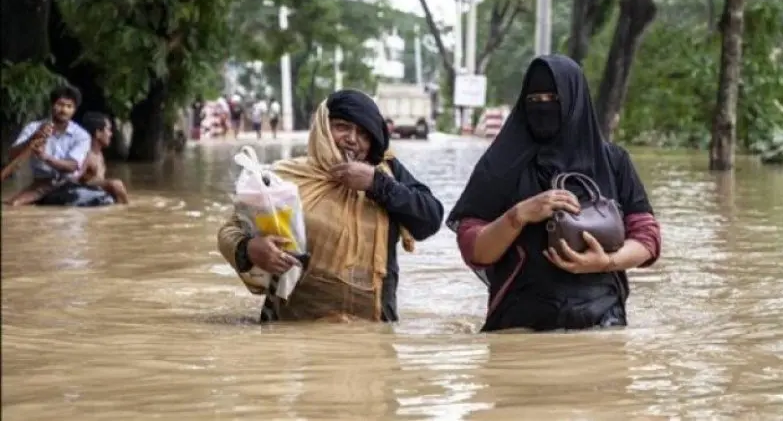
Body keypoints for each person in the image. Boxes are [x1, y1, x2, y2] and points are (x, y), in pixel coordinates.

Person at [447, 55, 662, 332]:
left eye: (553, 98)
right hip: (519, 325)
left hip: (603, 323)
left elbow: (648, 239)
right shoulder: (500, 166)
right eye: (534, 99)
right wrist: (518, 215)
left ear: (575, 101)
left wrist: (606, 262)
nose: (543, 107)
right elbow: (474, 250)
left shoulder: (613, 162)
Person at [217, 89, 444, 323]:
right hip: (292, 335)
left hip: (371, 336)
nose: (352, 139)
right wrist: (250, 248)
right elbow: (230, 231)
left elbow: (430, 218)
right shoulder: (284, 179)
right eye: (342, 126)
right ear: (323, 128)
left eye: (364, 134)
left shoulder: (385, 175)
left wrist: (376, 184)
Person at [4, 86, 91, 206]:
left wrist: (44, 157)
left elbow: (72, 166)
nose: (64, 110)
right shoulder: (33, 128)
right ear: (52, 105)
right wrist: (33, 137)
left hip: (67, 183)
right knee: (13, 205)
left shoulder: (82, 135)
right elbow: (12, 156)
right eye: (60, 105)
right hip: (41, 183)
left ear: (74, 110)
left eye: (69, 106)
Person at [76, 112, 129, 204]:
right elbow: (74, 181)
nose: (111, 134)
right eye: (108, 130)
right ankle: (128, 208)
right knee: (116, 184)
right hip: (87, 198)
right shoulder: (86, 156)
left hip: (99, 197)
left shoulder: (99, 153)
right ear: (98, 133)